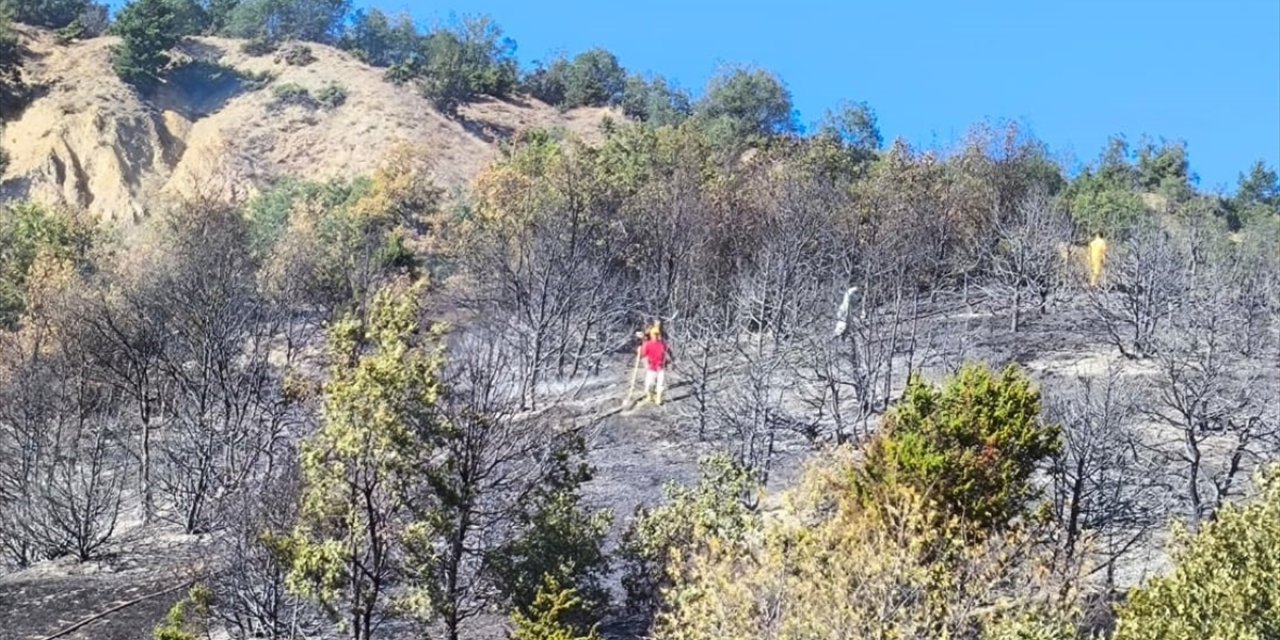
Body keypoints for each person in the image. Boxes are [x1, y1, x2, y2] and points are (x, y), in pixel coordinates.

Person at [637, 324, 669, 406]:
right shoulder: (648, 344)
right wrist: (640, 351)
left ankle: (658, 398)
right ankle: (650, 396)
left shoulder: (662, 344)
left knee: (660, 384)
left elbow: (667, 352)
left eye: (657, 334)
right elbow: (643, 354)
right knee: (649, 383)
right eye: (654, 334)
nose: (656, 336)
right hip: (651, 367)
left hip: (660, 367)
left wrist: (669, 361)